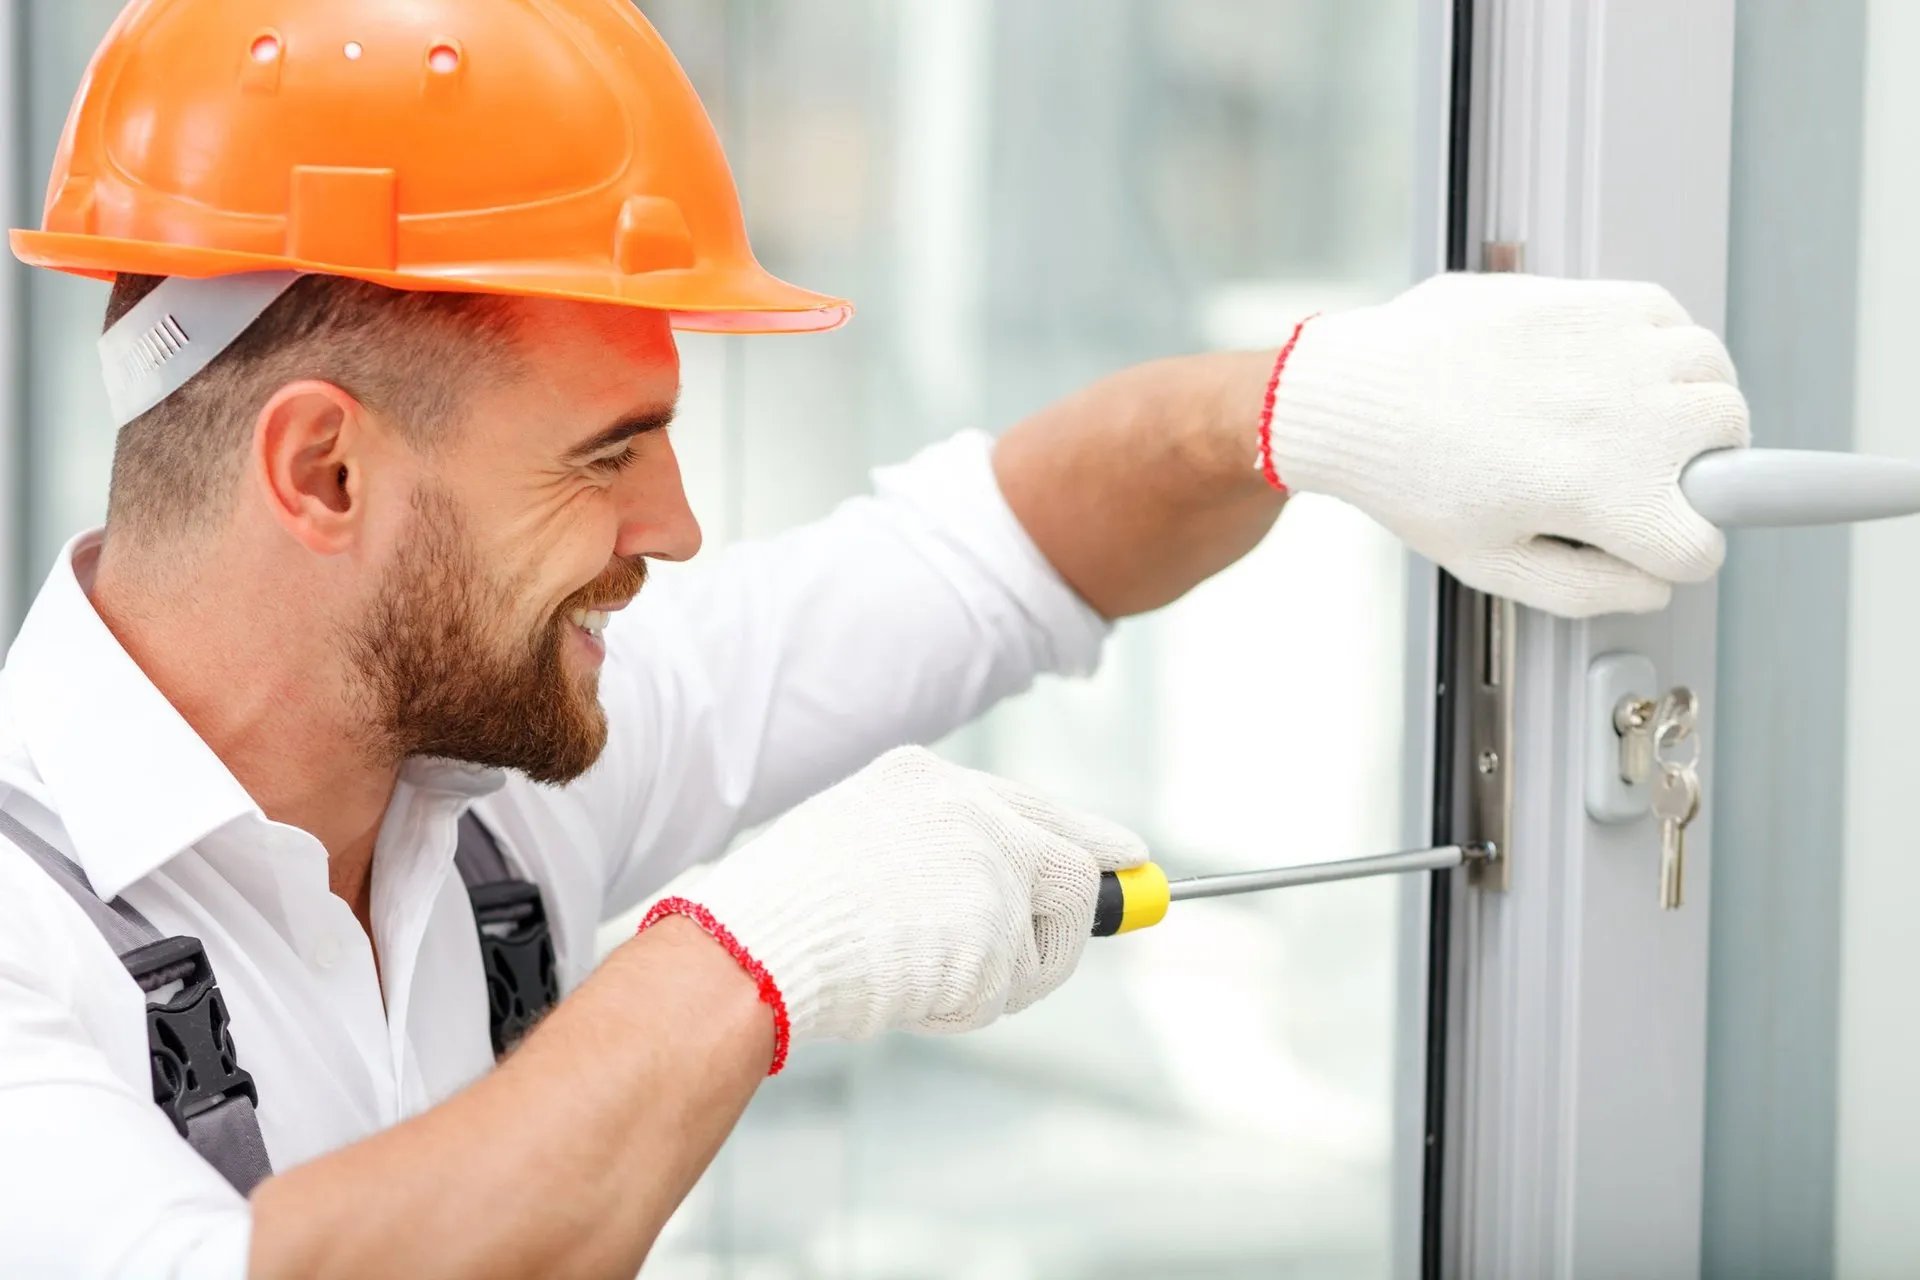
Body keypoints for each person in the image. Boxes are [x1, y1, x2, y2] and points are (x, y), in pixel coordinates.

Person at [0, 1, 1749, 1276]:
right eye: (606, 454)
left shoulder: (488, 783)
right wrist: (738, 963)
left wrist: (1306, 408)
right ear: (321, 468)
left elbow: (990, 550)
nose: (672, 528)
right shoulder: (26, 930)